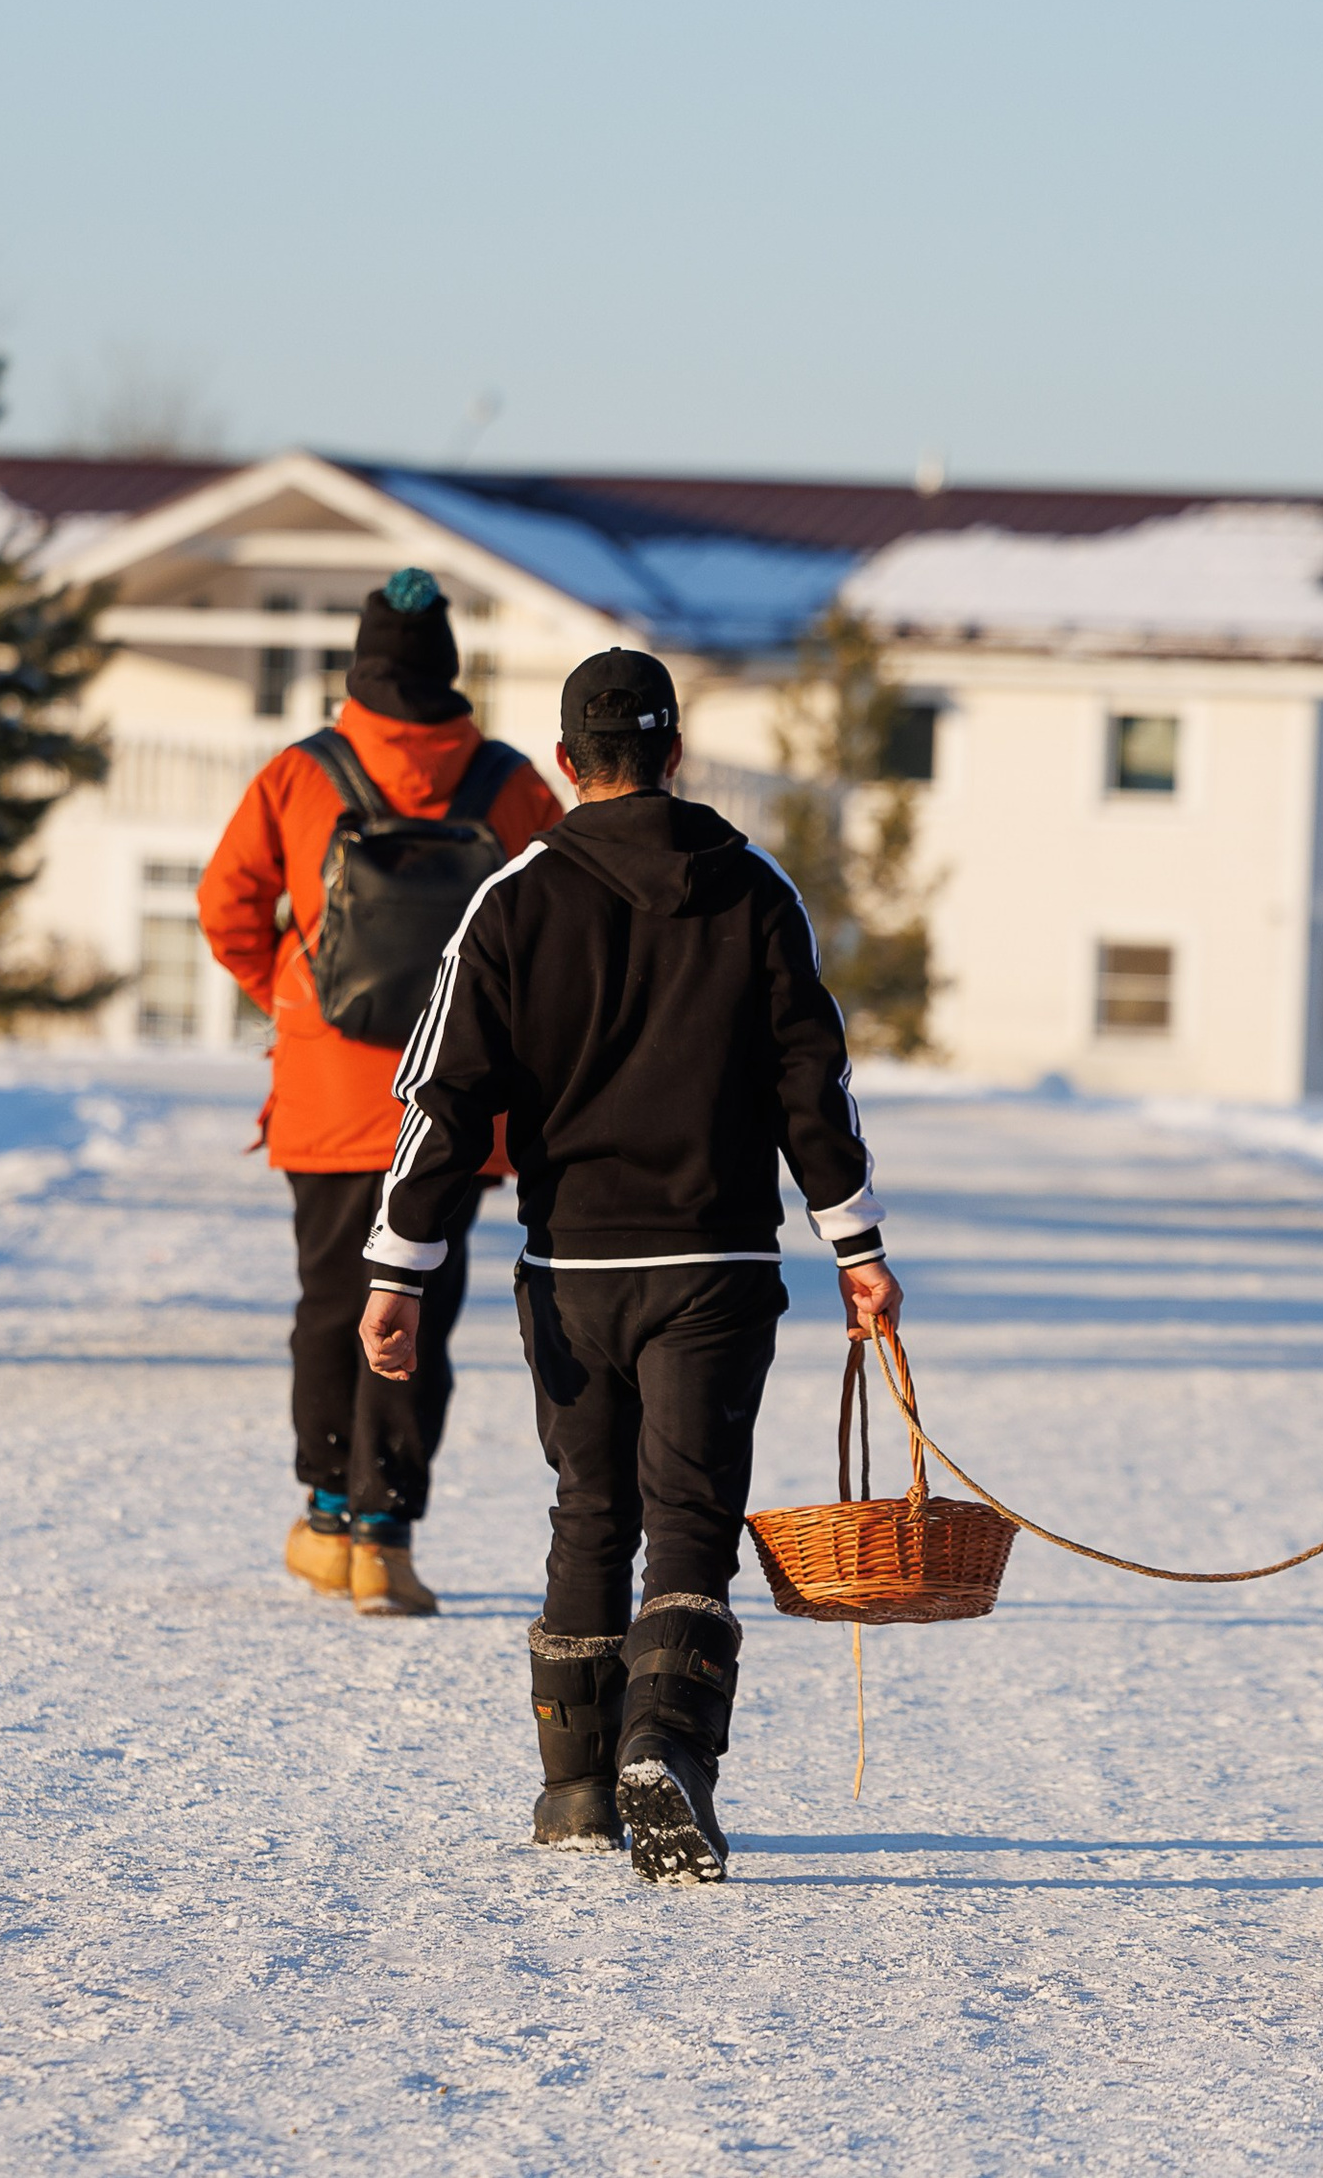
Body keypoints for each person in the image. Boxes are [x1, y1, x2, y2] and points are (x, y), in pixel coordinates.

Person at [356, 646, 903, 1881]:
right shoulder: (754, 888)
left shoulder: (511, 898)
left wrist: (399, 1267)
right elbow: (810, 1082)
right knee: (690, 1515)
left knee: (589, 1509)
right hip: (714, 1260)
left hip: (570, 1268)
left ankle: (575, 1787)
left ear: (565, 760)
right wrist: (855, 1243)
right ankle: (670, 1750)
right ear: (674, 752)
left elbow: (444, 1095)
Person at [198, 569, 562, 1616]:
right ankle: (385, 1543)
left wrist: (295, 994)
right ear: (449, 664)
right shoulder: (509, 784)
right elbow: (551, 926)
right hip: (454, 1097)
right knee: (417, 1313)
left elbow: (225, 907)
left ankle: (325, 1519)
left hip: (327, 1088)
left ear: (358, 665)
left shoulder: (298, 775)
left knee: (329, 1303)